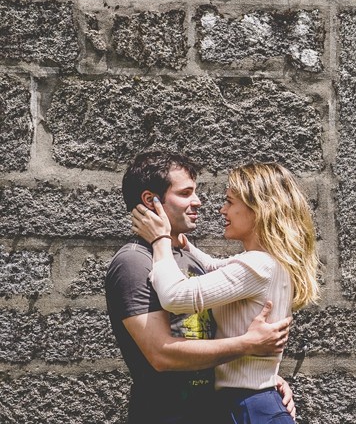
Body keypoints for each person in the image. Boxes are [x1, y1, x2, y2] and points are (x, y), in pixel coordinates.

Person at [107, 151, 297, 423]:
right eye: (185, 193)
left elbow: (216, 336)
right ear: (152, 200)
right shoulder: (134, 262)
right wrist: (247, 346)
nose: (198, 202)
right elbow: (162, 354)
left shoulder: (185, 256)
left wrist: (263, 379)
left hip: (216, 410)